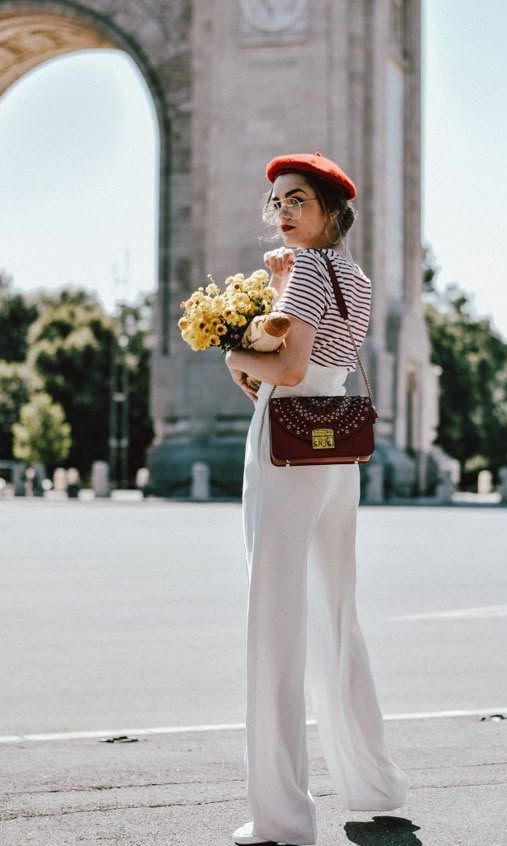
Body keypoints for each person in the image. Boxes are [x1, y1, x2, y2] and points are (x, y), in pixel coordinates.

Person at [225, 153, 408, 846]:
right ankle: (374, 784)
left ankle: (282, 817)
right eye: (276, 202)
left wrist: (235, 357)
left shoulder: (304, 272)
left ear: (331, 209)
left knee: (273, 623)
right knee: (337, 616)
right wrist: (278, 301)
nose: (283, 213)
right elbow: (323, 355)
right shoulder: (352, 276)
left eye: (297, 200)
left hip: (287, 450)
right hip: (336, 452)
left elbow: (289, 368)